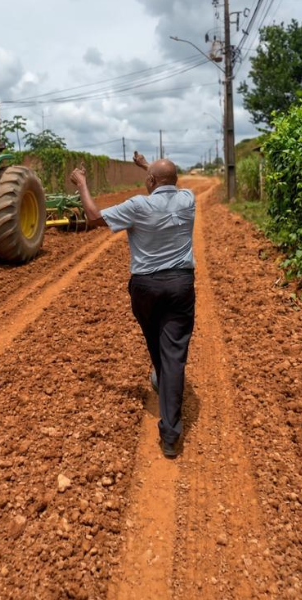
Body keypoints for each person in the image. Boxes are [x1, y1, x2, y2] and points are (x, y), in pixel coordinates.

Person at [69, 151, 195, 458]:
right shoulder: (188, 199)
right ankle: (170, 433)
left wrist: (82, 183)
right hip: (180, 285)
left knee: (157, 345)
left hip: (146, 288)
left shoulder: (138, 206)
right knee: (174, 353)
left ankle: (163, 384)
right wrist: (147, 167)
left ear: (150, 181)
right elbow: (165, 181)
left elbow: (94, 216)